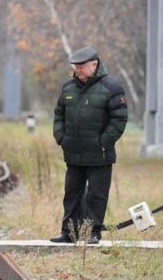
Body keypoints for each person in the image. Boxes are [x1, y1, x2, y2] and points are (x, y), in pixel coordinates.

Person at [50, 47, 128, 244]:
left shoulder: (111, 87)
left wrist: (103, 143)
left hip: (99, 155)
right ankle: (69, 233)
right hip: (73, 153)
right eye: (76, 66)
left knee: (96, 195)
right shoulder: (68, 88)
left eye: (82, 66)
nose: (78, 70)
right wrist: (61, 138)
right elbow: (59, 114)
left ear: (95, 64)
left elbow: (119, 119)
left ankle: (94, 233)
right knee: (71, 194)